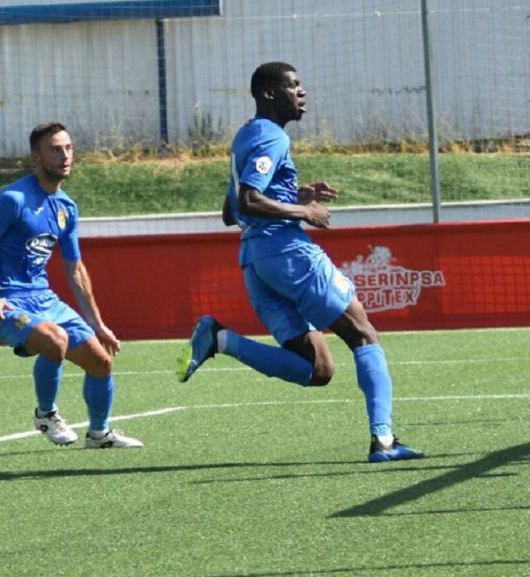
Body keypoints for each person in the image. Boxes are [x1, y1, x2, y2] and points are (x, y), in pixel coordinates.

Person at [177, 61, 424, 463]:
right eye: (293, 86)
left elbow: (230, 211)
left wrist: (298, 192)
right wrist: (304, 212)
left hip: (256, 262)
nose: (302, 92)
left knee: (318, 369)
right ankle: (384, 442)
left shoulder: (246, 136)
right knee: (363, 334)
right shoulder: (271, 138)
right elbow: (248, 201)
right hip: (289, 255)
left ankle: (220, 339)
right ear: (270, 94)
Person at [0, 123, 143, 448]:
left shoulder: (66, 208)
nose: (65, 156)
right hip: (9, 305)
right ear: (36, 157)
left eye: (69, 148)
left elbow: (75, 269)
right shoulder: (12, 199)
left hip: (45, 300)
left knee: (101, 361)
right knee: (54, 340)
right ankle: (46, 415)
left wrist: (97, 323)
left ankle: (99, 434)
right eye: (55, 149)